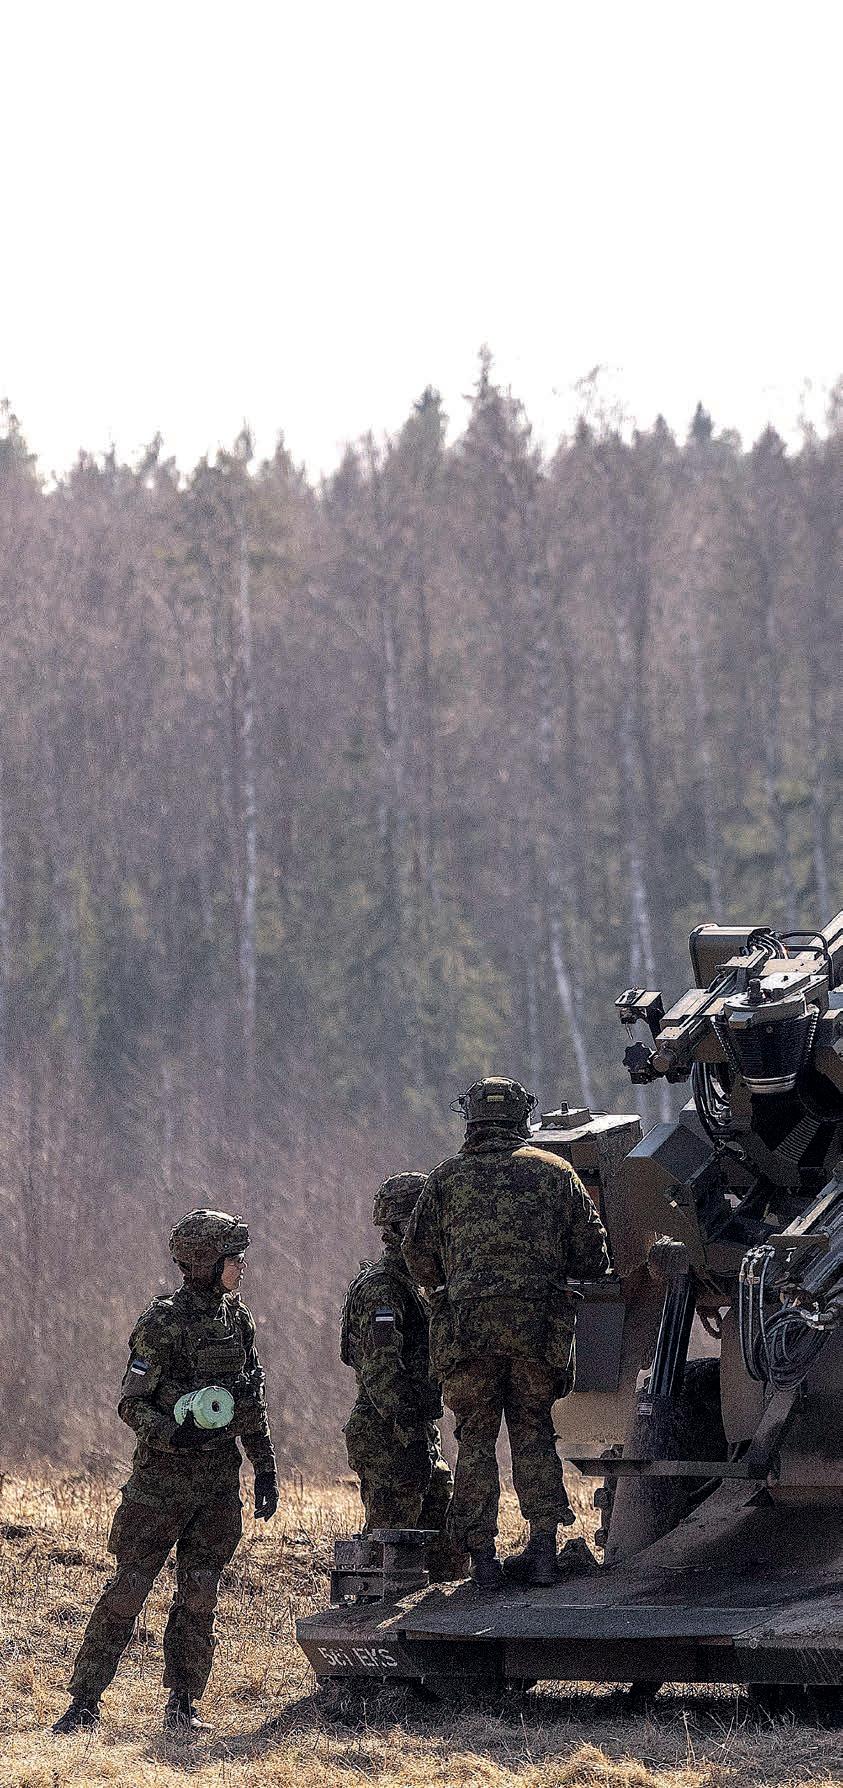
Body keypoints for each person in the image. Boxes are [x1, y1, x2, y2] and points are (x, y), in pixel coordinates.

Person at [53, 1208, 278, 1736]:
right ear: (204, 1261)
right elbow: (131, 1404)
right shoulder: (162, 1323)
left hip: (216, 1487)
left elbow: (250, 1403)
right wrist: (174, 1434)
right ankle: (83, 1703)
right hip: (160, 1485)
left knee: (200, 1595)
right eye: (233, 1258)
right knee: (129, 1589)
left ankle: (183, 1705)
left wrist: (264, 1466)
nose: (241, 1266)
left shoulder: (238, 1320)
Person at [403, 1078, 610, 1592]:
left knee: (474, 1440)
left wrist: (455, 1284)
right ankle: (542, 1551)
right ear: (521, 1117)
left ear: (471, 1120)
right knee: (534, 1432)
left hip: (467, 1336)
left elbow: (417, 1256)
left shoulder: (445, 1180)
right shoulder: (556, 1173)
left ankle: (483, 1560)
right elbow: (593, 1257)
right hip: (537, 1335)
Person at [341, 1173, 466, 1581]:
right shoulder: (382, 1289)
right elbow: (381, 1368)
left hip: (414, 1430)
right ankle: (373, 1618)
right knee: (392, 1551)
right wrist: (407, 1426)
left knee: (444, 1545)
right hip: (388, 1433)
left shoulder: (417, 1286)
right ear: (401, 1227)